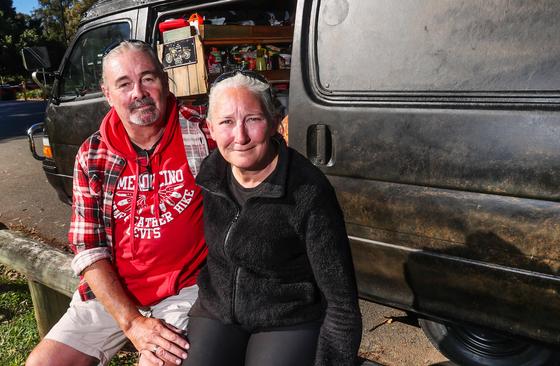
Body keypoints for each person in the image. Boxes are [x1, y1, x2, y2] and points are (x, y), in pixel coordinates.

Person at [26, 40, 211, 366]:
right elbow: (88, 248)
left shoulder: (202, 132)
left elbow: (249, 137)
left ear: (165, 81)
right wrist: (132, 322)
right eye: (124, 84)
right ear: (107, 94)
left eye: (148, 78)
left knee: (158, 361)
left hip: (184, 290)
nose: (138, 92)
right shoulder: (92, 154)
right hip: (111, 294)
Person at [182, 70, 362, 366]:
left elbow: (341, 301)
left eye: (252, 119)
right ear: (211, 129)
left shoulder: (307, 190)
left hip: (287, 318)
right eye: (226, 122)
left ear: (275, 122)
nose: (239, 136)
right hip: (219, 312)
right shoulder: (212, 174)